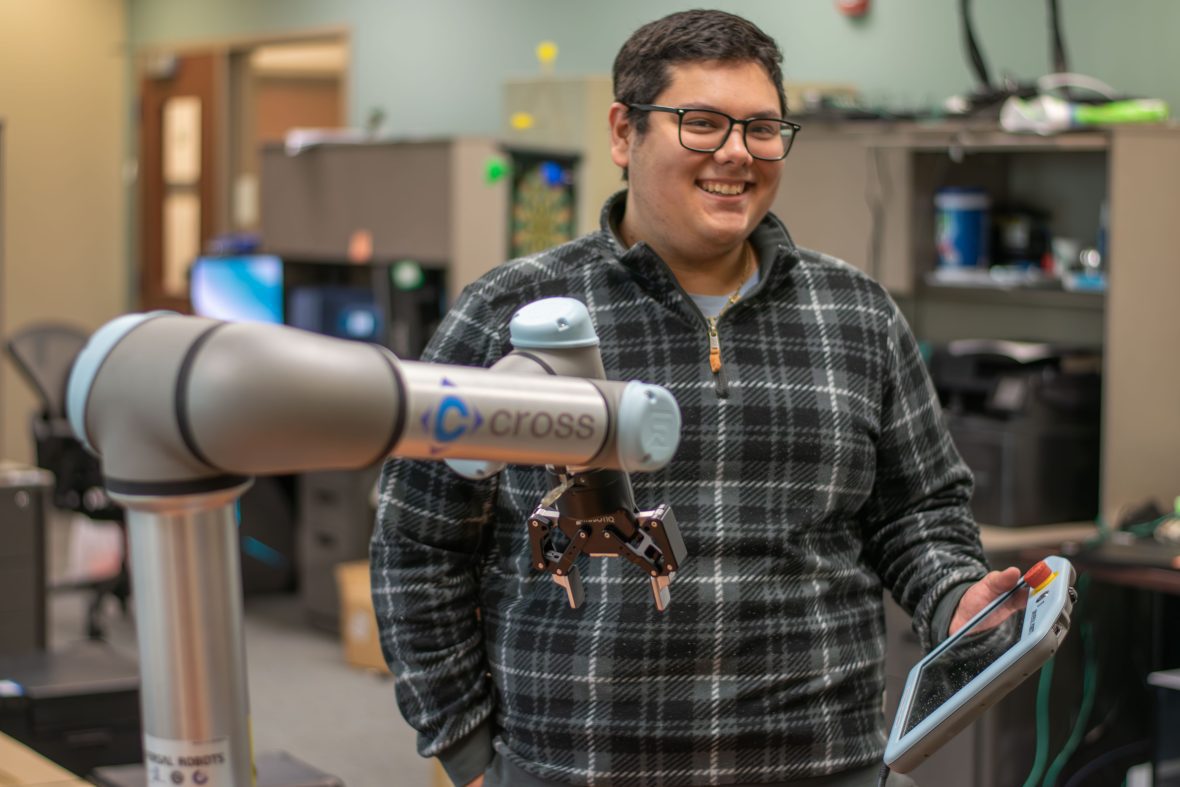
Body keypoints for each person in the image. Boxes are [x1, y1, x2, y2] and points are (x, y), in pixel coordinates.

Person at [371, 9, 1019, 786]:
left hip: (821, 762)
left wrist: (956, 596)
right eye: (703, 123)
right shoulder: (508, 315)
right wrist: (467, 749)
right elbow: (417, 541)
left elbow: (918, 513)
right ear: (624, 133)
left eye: (762, 128)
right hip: (576, 765)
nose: (737, 153)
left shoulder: (857, 315)